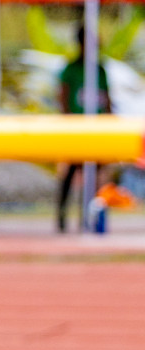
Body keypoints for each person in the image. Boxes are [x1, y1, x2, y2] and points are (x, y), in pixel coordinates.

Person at [56, 24, 111, 232]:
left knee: (96, 175)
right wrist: (68, 121)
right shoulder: (71, 69)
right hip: (76, 128)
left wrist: (108, 120)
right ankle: (61, 218)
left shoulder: (100, 70)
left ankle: (90, 218)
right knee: (70, 171)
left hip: (96, 129)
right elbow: (62, 96)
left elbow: (107, 99)